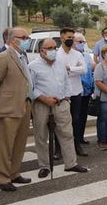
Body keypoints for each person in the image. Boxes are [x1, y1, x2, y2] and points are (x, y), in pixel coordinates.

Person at [29, 38, 89, 178]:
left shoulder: (60, 64)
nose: (52, 51)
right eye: (49, 48)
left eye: (54, 47)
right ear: (41, 50)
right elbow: (30, 88)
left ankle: (71, 163)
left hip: (61, 103)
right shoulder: (33, 66)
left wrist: (67, 97)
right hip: (42, 104)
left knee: (67, 133)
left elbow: (66, 82)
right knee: (41, 135)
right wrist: (44, 98)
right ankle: (44, 166)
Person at [0, 27, 34, 190]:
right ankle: (2, 177)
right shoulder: (3, 57)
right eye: (24, 37)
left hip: (24, 104)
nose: (27, 39)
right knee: (5, 144)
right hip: (8, 106)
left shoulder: (22, 56)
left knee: (19, 143)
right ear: (13, 39)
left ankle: (14, 172)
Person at [56, 27, 89, 156]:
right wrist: (75, 69)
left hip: (76, 91)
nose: (71, 40)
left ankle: (77, 146)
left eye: (72, 38)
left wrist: (69, 68)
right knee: (60, 122)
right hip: (61, 93)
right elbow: (58, 71)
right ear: (62, 38)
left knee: (76, 120)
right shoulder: (57, 54)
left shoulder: (77, 54)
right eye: (68, 37)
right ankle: (58, 149)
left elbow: (84, 70)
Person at [72, 32, 94, 151]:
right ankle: (74, 140)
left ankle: (80, 137)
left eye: (83, 42)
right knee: (75, 117)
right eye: (79, 42)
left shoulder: (86, 56)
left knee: (83, 116)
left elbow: (90, 71)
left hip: (87, 91)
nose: (82, 44)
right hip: (77, 91)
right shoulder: (72, 56)